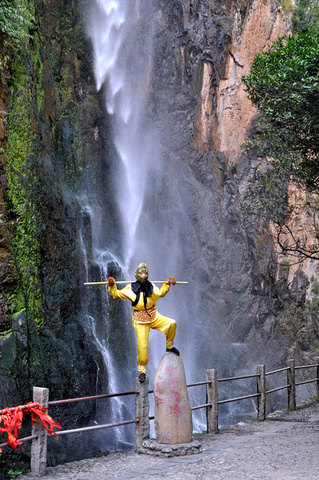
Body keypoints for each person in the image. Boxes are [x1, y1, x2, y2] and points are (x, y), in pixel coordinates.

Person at [107, 263, 179, 382]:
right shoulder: (130, 288)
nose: (143, 275)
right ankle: (142, 371)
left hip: (153, 315)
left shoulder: (151, 286)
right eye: (141, 273)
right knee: (143, 346)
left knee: (171, 323)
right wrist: (111, 286)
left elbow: (160, 293)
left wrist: (168, 284)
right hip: (140, 319)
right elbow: (116, 294)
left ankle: (169, 346)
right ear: (136, 274)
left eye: (145, 273)